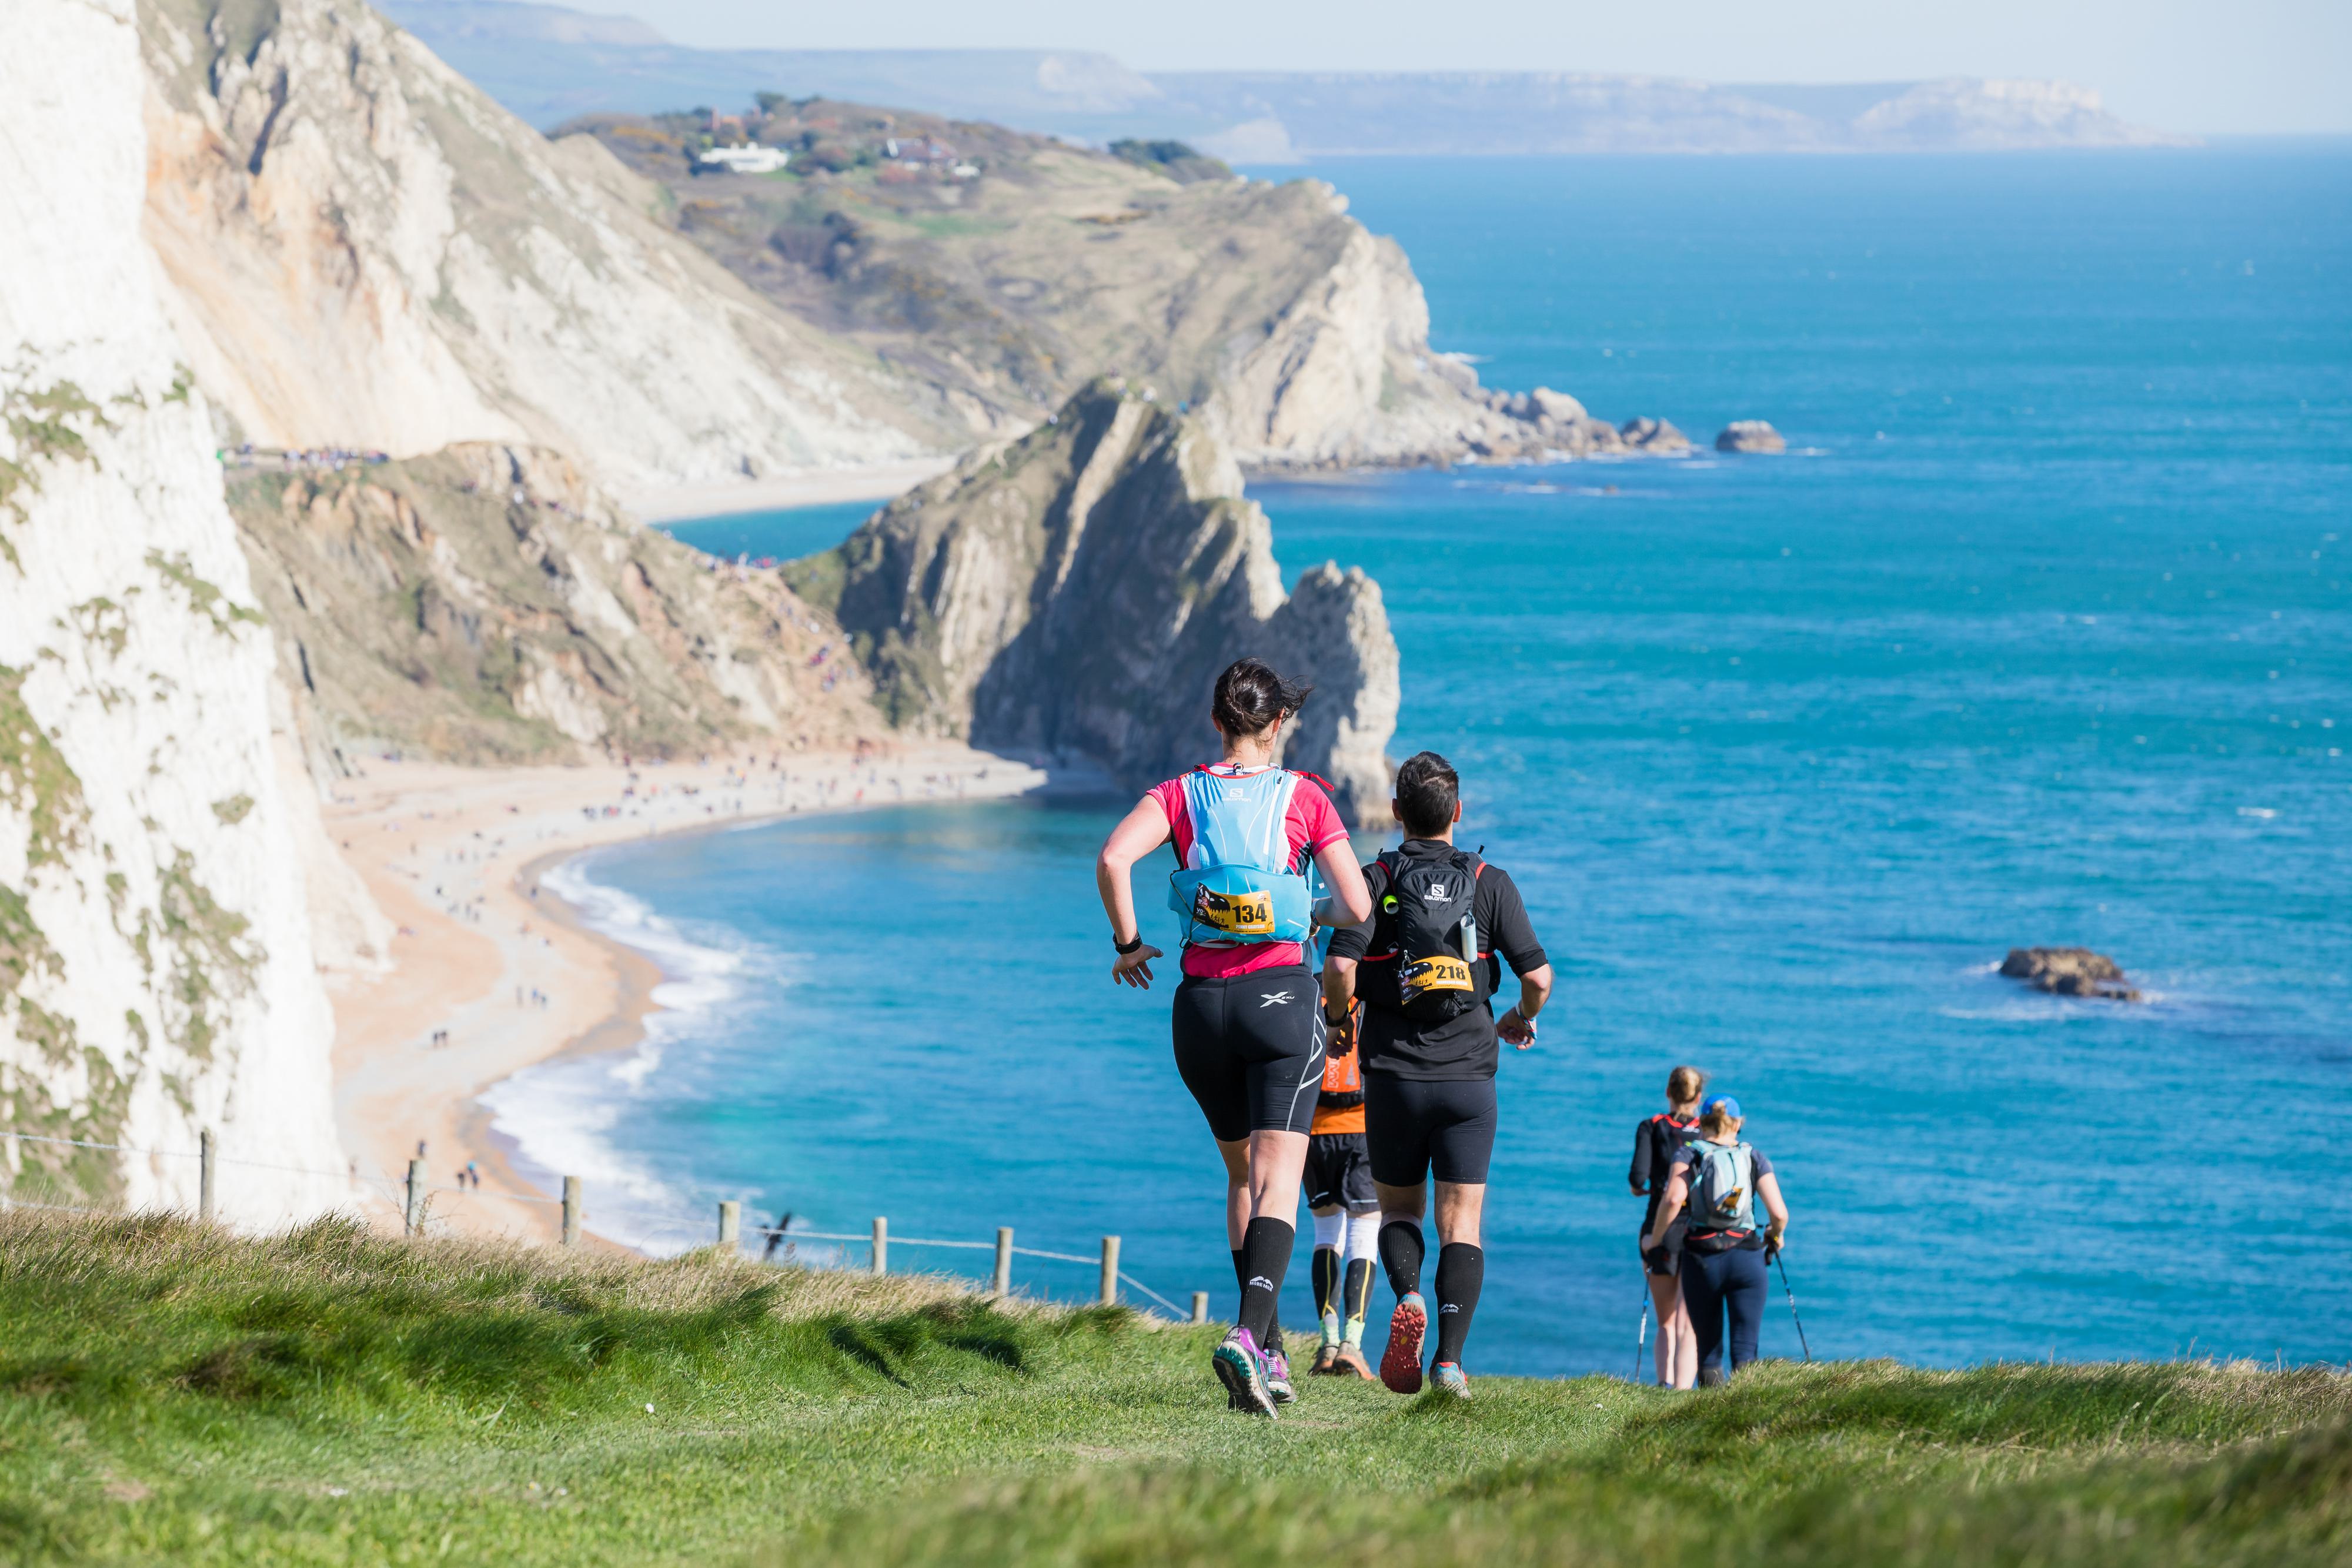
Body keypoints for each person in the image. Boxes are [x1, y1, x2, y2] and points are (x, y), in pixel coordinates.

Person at [1095, 658, 1373, 1417]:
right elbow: (1354, 902)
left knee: (1242, 1176)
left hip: (1199, 1010)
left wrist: (1129, 943)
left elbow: (1114, 857)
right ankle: (1251, 1333)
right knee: (1281, 1175)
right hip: (1281, 1000)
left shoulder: (1179, 792)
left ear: (1216, 720)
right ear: (1278, 721)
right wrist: (1304, 908)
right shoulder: (1304, 795)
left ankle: (1271, 1343)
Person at [1324, 751, 1553, 1400]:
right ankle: (1449, 1363)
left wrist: (1341, 1021)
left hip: (1393, 1075)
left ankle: (1407, 1296)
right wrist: (1516, 1016)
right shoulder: (1490, 881)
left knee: (1399, 1208)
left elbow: (1340, 971)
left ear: (1396, 813)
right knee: (1463, 1223)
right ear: (1457, 813)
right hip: (1469, 1080)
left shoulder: (1374, 879)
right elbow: (1538, 977)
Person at [1642, 1094, 1790, 1385]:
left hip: (1703, 1260)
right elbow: (1780, 1213)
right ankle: (1747, 1422)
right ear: (1737, 1124)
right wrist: (1776, 1235)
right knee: (1746, 1351)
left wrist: (1655, 1239)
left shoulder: (1690, 1154)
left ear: (1703, 1122)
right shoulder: (1753, 1156)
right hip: (1747, 1258)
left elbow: (1673, 1199)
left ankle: (1712, 1419)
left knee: (1708, 1352)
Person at [1304, 997, 1379, 1378]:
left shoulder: (1305, 987)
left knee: (1326, 1232)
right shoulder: (1367, 990)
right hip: (1363, 1124)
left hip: (1312, 1128)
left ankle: (1328, 1343)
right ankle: (1353, 1342)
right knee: (1365, 1232)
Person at [1629, 1065, 1706, 1387]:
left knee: (1666, 1321)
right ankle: (1684, 1389)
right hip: (1700, 1227)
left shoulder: (1652, 1126)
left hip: (1661, 1225)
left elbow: (1637, 1177)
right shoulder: (1710, 1131)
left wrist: (1640, 1189)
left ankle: (1664, 1384)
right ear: (1698, 1097)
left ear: (1668, 1093)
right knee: (1688, 1322)